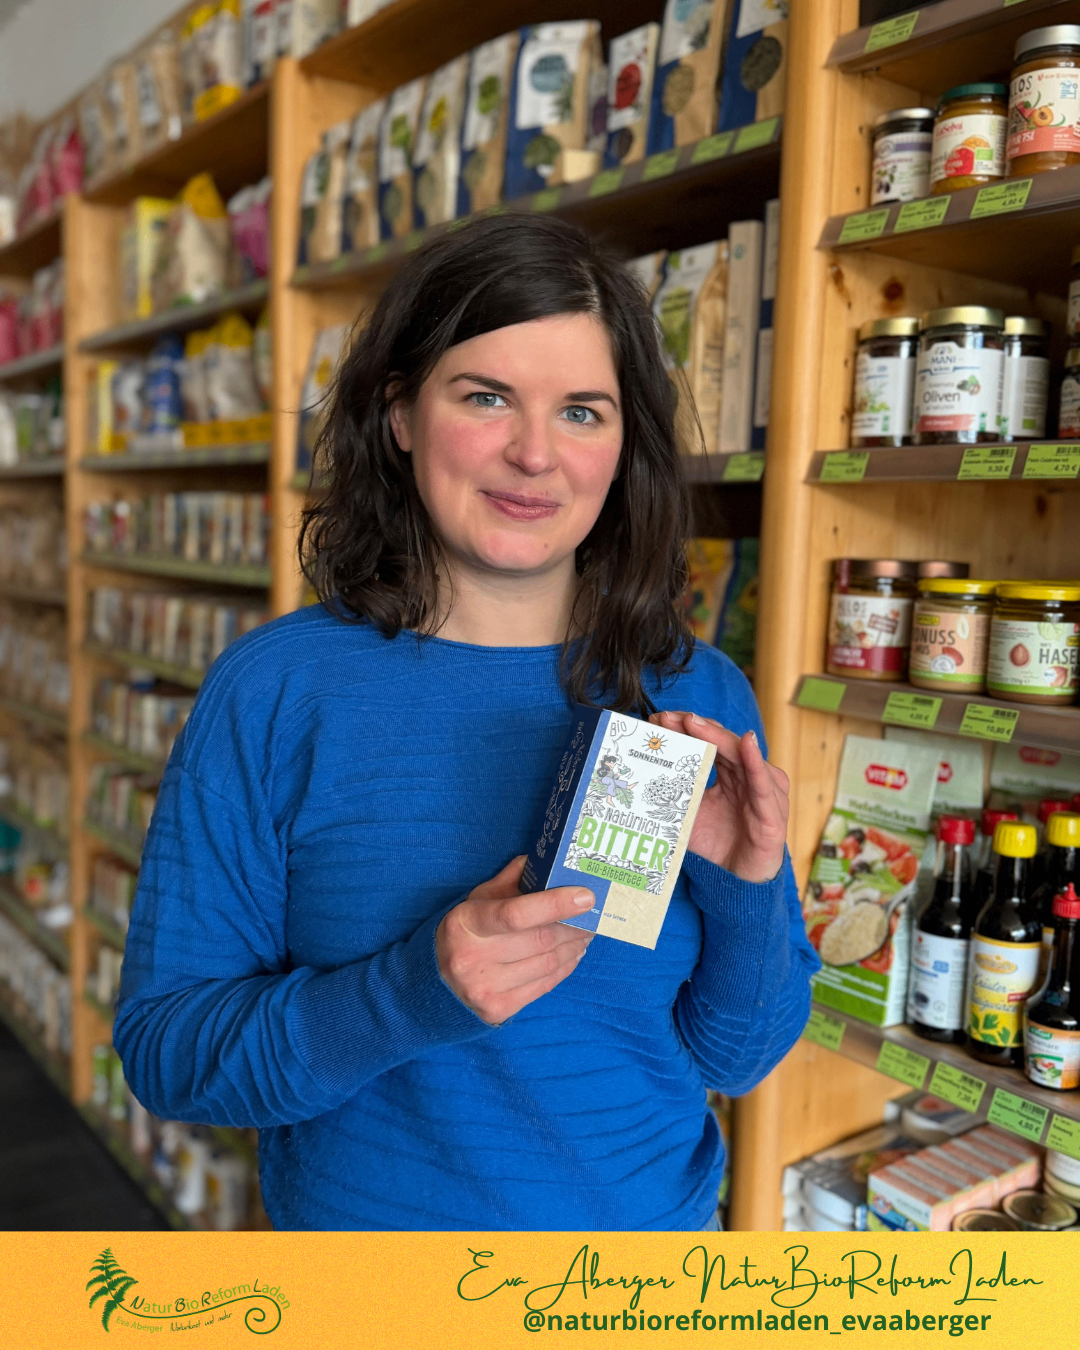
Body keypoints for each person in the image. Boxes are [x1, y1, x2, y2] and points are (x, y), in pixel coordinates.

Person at [115, 213, 818, 1231]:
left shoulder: (694, 693)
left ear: (625, 446)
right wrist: (410, 991)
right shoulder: (277, 691)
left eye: (583, 411)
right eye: (486, 397)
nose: (536, 454)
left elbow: (738, 1056)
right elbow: (171, 1055)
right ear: (400, 414)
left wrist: (749, 887)